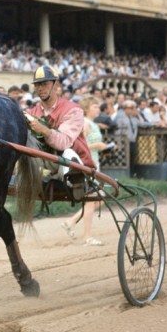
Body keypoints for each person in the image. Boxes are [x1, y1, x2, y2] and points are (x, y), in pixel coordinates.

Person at [61, 97, 116, 245]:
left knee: (99, 198)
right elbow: (78, 147)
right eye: (94, 106)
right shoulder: (84, 123)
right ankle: (86, 236)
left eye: (98, 106)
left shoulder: (92, 123)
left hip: (94, 163)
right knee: (93, 199)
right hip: (86, 165)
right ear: (86, 108)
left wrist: (102, 148)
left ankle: (71, 221)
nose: (98, 108)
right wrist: (98, 145)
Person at [25, 65, 95, 174]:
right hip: (43, 166)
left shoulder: (73, 110)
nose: (40, 88)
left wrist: (43, 130)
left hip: (78, 168)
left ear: (56, 85)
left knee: (68, 153)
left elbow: (64, 142)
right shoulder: (31, 113)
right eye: (37, 84)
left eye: (44, 84)